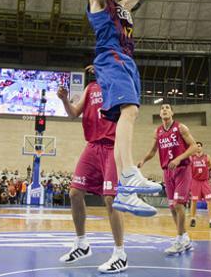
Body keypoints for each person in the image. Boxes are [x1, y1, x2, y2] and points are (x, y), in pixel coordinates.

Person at [87, 0, 161, 215]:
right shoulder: (96, 2)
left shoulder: (124, 8)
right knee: (129, 111)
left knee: (126, 118)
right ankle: (129, 172)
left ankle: (124, 192)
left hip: (128, 61)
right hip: (110, 58)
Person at [56, 68, 130, 273]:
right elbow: (73, 114)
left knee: (110, 199)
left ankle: (120, 254)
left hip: (113, 147)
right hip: (92, 146)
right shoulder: (90, 88)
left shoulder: (119, 85)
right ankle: (82, 244)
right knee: (74, 193)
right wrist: (64, 100)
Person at [138, 103, 198, 255]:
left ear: (172, 112)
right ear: (160, 114)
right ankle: (184, 238)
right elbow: (153, 151)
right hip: (167, 172)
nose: (164, 109)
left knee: (178, 204)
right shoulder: (158, 131)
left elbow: (194, 147)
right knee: (172, 207)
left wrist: (179, 159)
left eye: (167, 108)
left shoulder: (180, 128)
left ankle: (179, 239)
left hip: (182, 169)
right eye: (162, 108)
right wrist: (143, 161)